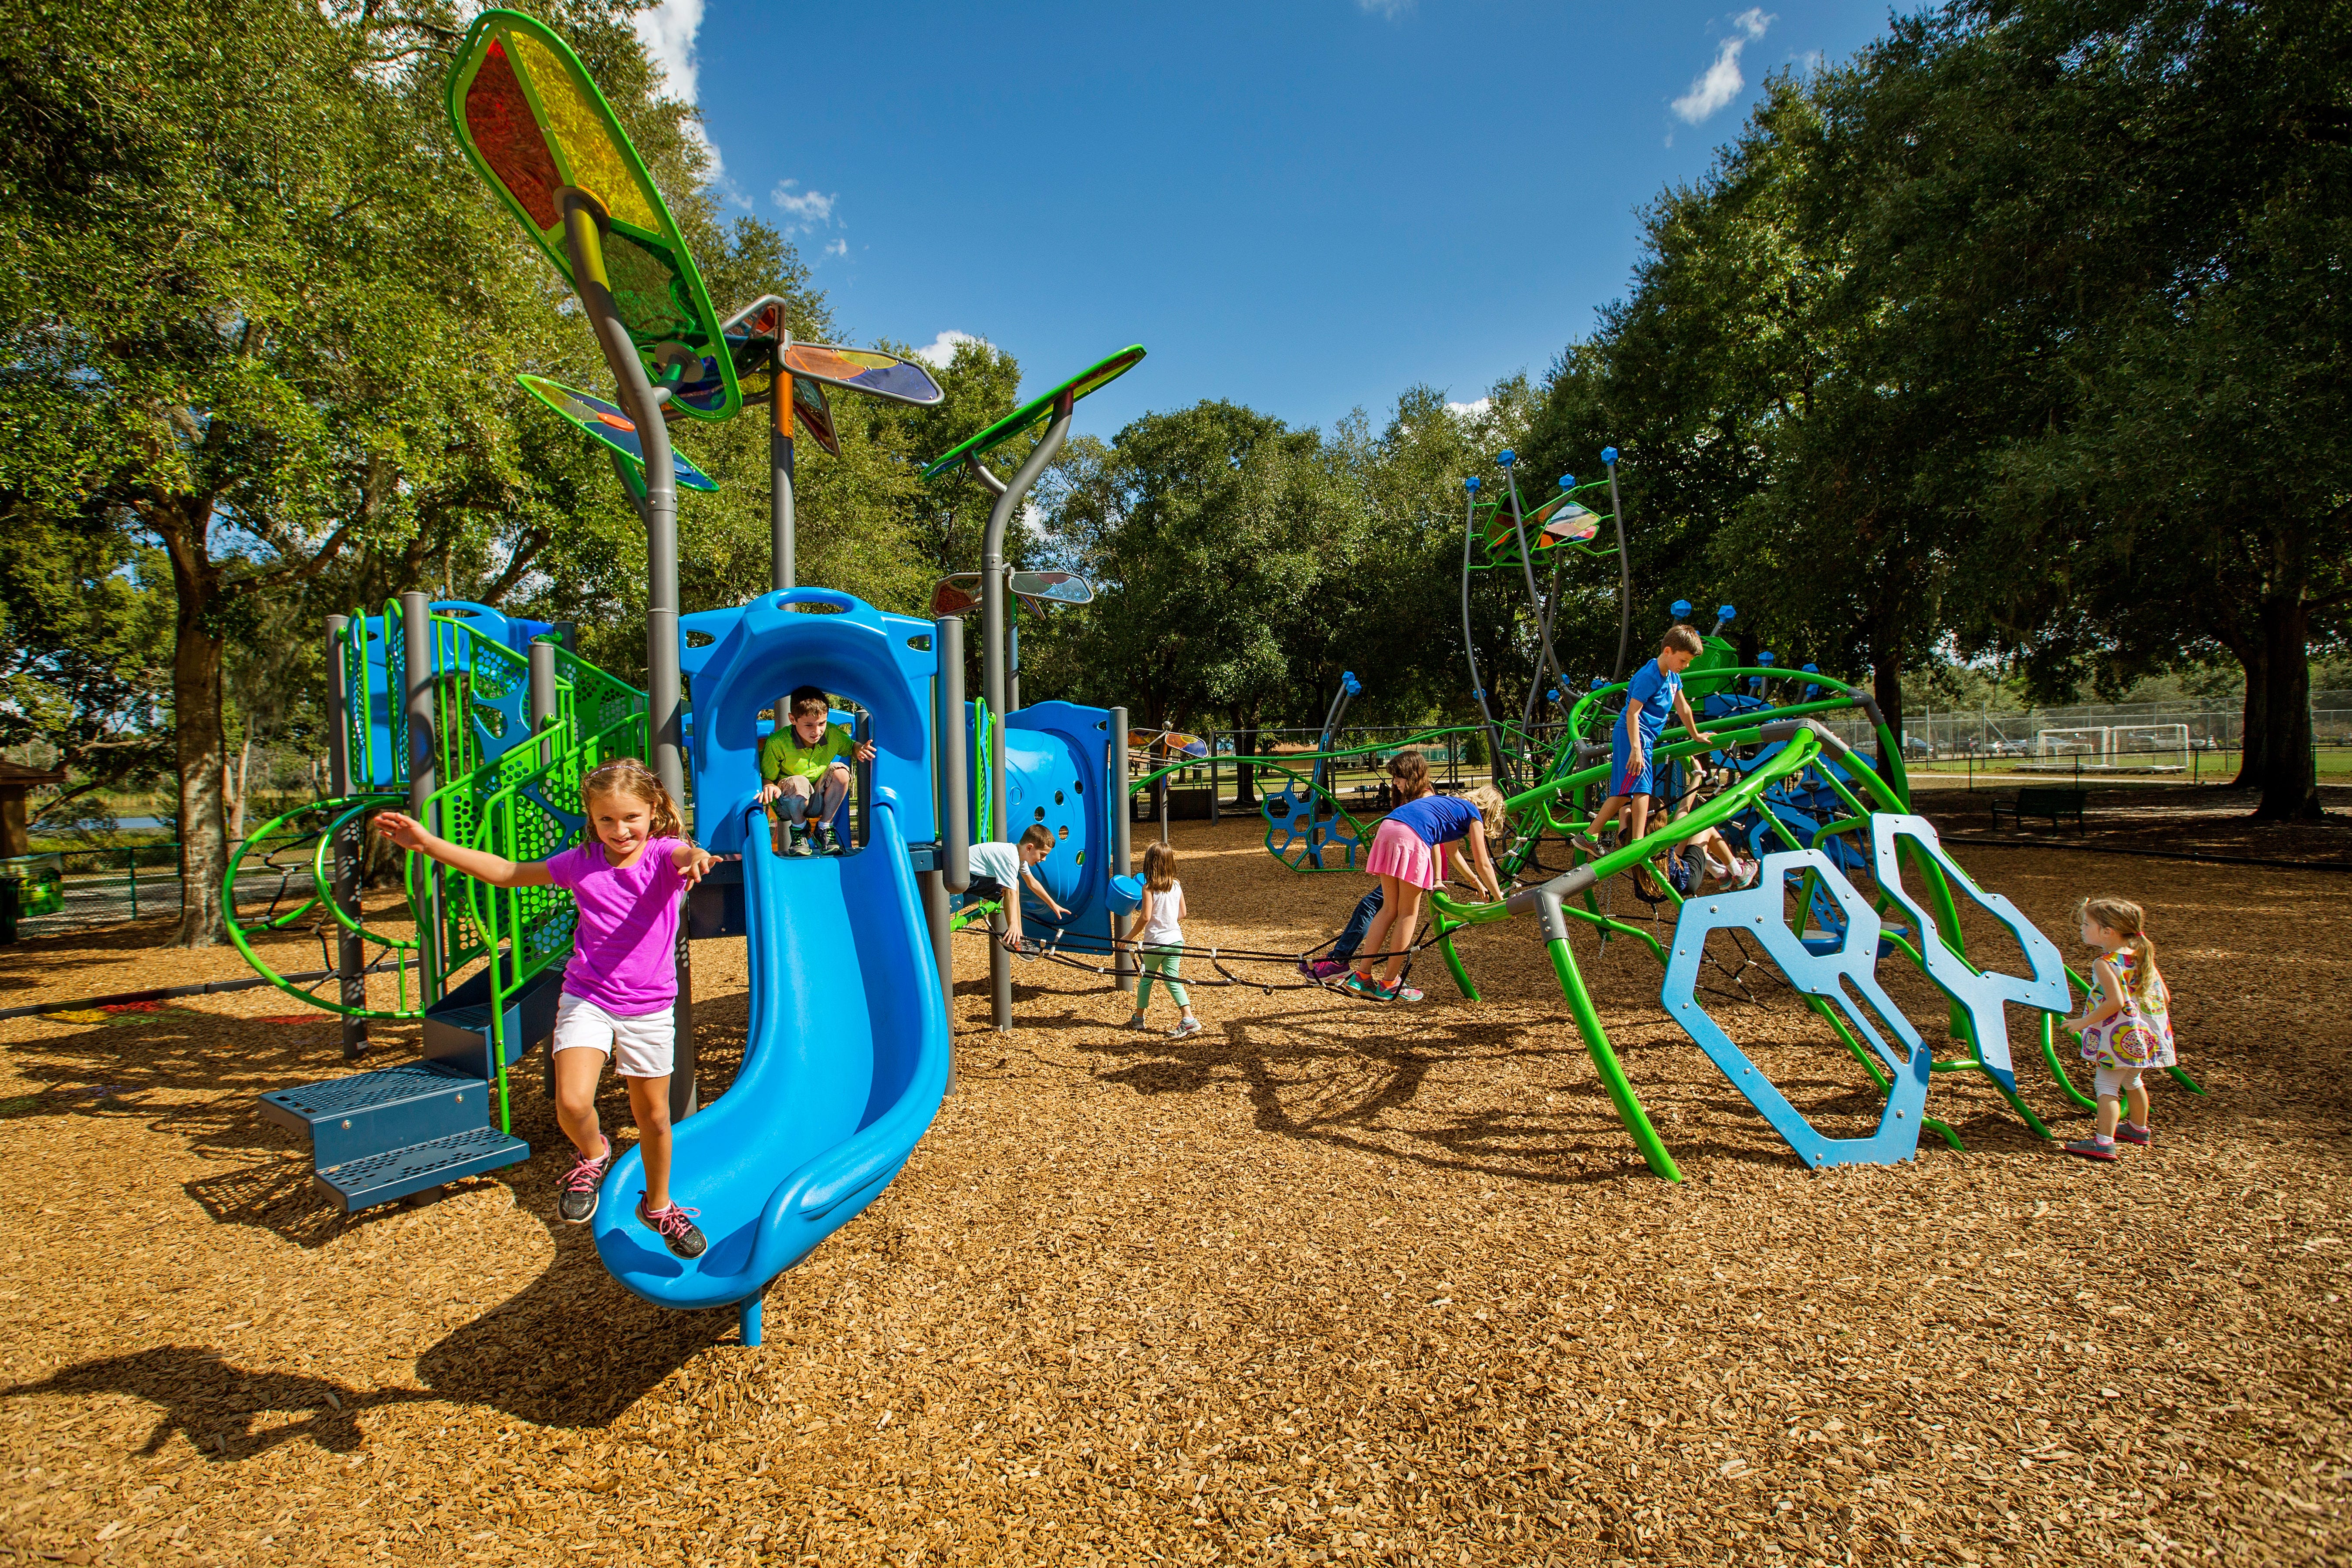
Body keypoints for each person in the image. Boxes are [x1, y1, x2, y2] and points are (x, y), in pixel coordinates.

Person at [373, 757, 721, 1259]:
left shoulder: (662, 854)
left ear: (652, 813)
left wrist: (697, 857)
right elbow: (506, 872)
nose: (620, 830)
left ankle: (659, 1205)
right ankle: (594, 1154)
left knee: (655, 1118)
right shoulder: (580, 863)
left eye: (631, 818)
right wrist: (428, 843)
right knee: (574, 1102)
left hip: (647, 1006)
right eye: (607, 820)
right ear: (591, 817)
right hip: (589, 996)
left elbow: (685, 854)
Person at [1346, 757, 1508, 1002]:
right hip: (1411, 838)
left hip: (1388, 828)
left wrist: (1475, 882)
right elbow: (1484, 861)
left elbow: (1452, 853)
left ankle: (1362, 977)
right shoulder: (1473, 814)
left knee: (1389, 909)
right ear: (1489, 812)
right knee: (1407, 914)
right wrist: (1500, 899)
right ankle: (1389, 983)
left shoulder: (1447, 805)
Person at [1579, 625, 1717, 857]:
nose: (1686, 666)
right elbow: (1633, 713)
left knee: (1625, 792)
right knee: (1642, 789)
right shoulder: (1649, 676)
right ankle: (1638, 843)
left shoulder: (1673, 677)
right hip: (1633, 734)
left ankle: (1590, 836)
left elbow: (1683, 708)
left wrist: (1696, 735)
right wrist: (1636, 749)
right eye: (1683, 660)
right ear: (1668, 651)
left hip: (1644, 737)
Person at [2058, 896, 2175, 1162]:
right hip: (2145, 1037)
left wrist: (2082, 1022)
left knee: (2106, 1086)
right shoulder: (2142, 957)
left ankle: (2103, 1143)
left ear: (2107, 932)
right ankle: (2138, 1129)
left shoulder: (2105, 963)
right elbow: (2164, 998)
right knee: (2133, 1082)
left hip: (2118, 1039)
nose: (2082, 929)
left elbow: (2115, 1002)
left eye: (2087, 925)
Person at [757, 686, 877, 858]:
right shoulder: (777, 743)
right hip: (789, 803)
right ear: (793, 719)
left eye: (822, 723)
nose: (817, 731)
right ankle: (799, 830)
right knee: (799, 782)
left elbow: (850, 747)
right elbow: (768, 777)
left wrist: (859, 749)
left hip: (818, 801)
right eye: (809, 725)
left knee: (842, 772)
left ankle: (824, 828)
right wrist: (769, 786)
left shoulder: (832, 734)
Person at [1116, 840, 1201, 1038]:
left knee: (1147, 980)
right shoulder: (1176, 885)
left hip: (1156, 943)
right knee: (1173, 980)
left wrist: (1129, 937)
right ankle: (1188, 1018)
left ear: (1149, 863)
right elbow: (1183, 913)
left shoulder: (1148, 888)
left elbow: (1145, 917)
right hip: (1176, 940)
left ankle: (1138, 1018)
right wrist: (1168, 919)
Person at [967, 824, 1067, 956]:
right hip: (965, 878)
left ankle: (1019, 937)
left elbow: (1032, 883)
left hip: (973, 877)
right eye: (1042, 854)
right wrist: (1013, 924)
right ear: (1030, 848)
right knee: (1013, 885)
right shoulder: (1011, 858)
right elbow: (1010, 892)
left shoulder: (1018, 856)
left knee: (1016, 883)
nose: (1044, 859)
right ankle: (1014, 936)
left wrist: (1053, 904)